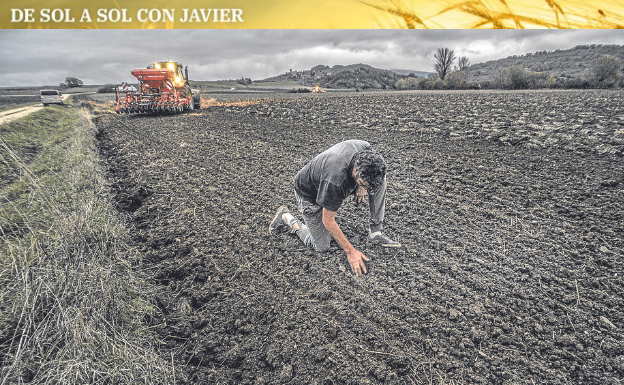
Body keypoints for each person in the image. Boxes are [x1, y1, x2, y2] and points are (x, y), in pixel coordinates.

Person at [269, 139, 400, 276]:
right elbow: (328, 220)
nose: (367, 190)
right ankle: (287, 218)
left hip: (330, 180)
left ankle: (376, 232)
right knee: (321, 247)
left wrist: (362, 187)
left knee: (380, 180)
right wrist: (351, 252)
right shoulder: (336, 179)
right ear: (356, 170)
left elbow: (373, 175)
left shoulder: (364, 148)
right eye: (363, 183)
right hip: (310, 195)